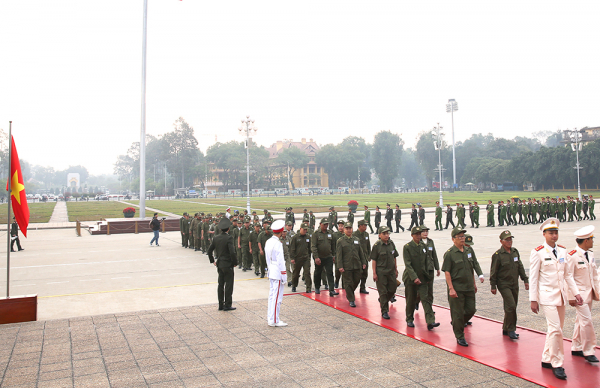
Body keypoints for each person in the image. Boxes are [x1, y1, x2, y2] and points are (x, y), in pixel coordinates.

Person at [529, 218, 581, 380]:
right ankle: (557, 363)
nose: (554, 235)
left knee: (556, 329)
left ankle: (546, 358)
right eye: (551, 233)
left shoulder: (563, 251)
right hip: (546, 296)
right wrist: (533, 299)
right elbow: (533, 277)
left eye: (556, 232)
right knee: (556, 329)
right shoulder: (537, 252)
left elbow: (567, 275)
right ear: (544, 234)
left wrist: (576, 292)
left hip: (560, 296)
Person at [442, 227, 485, 346]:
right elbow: (447, 272)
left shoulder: (469, 251)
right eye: (459, 237)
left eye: (463, 236)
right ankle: (460, 336)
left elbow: (473, 265)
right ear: (453, 239)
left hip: (469, 287)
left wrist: (476, 281)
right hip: (457, 288)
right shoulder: (450, 254)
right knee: (457, 313)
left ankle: (457, 323)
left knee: (471, 309)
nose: (462, 239)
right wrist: (451, 288)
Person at [565, 225, 599, 363]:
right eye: (591, 239)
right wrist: (571, 296)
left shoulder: (590, 254)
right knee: (587, 321)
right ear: (586, 241)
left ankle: (577, 347)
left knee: (581, 321)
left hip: (588, 293)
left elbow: (595, 275)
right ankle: (589, 350)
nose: (593, 241)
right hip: (578, 295)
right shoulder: (572, 256)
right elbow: (568, 277)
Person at [490, 230, 529, 340]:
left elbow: (520, 266)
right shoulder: (497, 255)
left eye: (510, 239)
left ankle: (506, 328)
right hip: (503, 284)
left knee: (512, 306)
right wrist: (493, 285)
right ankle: (511, 329)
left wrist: (525, 279)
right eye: (507, 240)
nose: (509, 241)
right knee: (511, 306)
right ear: (501, 241)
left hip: (514, 284)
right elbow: (494, 271)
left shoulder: (515, 252)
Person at [403, 226, 439, 330]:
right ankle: (409, 319)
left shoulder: (423, 246)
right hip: (410, 278)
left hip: (423, 277)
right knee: (411, 299)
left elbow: (427, 262)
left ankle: (430, 321)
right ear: (412, 235)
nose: (419, 236)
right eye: (417, 234)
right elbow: (408, 265)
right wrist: (414, 278)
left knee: (426, 299)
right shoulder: (408, 247)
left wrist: (428, 278)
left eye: (420, 234)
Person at [207, 217, 237, 311]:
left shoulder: (216, 238)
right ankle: (227, 304)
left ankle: (221, 304)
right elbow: (232, 252)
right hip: (228, 264)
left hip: (220, 264)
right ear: (228, 228)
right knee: (228, 285)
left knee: (220, 285)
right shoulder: (229, 238)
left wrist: (213, 261)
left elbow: (209, 251)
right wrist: (235, 262)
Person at [336, 222, 367, 307]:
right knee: (348, 282)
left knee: (357, 280)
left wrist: (364, 262)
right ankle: (351, 299)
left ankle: (349, 292)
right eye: (347, 228)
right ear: (344, 229)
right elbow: (339, 255)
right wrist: (340, 266)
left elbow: (360, 252)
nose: (349, 230)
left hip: (357, 264)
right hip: (347, 266)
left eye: (350, 228)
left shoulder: (356, 239)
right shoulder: (340, 241)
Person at [371, 226, 399, 319]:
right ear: (379, 235)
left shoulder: (391, 243)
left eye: (387, 233)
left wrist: (396, 269)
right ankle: (384, 311)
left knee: (392, 289)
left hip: (391, 271)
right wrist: (374, 273)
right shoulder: (377, 246)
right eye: (384, 234)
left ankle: (383, 300)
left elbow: (394, 256)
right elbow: (374, 260)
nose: (387, 235)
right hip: (381, 272)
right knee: (383, 292)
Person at [311, 218, 339, 297]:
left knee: (330, 273)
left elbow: (333, 245)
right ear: (320, 224)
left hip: (328, 257)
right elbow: (313, 246)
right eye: (324, 224)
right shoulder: (315, 234)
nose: (326, 226)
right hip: (319, 257)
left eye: (327, 224)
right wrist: (316, 257)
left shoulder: (330, 233)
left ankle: (331, 290)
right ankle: (317, 287)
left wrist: (333, 255)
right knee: (318, 273)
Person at [418, 226, 440, 312]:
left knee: (430, 290)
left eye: (426, 231)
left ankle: (429, 308)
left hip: (430, 269)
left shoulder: (430, 242)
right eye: (423, 231)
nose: (425, 233)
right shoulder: (418, 243)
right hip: (421, 270)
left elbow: (434, 255)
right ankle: (417, 301)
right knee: (421, 290)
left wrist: (437, 268)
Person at [290, 223, 312, 293]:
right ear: (300, 229)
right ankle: (294, 285)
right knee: (296, 273)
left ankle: (308, 288)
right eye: (304, 229)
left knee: (307, 273)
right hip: (297, 258)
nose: (305, 231)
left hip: (306, 258)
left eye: (306, 230)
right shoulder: (295, 237)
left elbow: (309, 248)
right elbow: (292, 248)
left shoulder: (308, 237)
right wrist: (292, 258)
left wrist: (309, 256)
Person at [353, 220, 372, 294]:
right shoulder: (354, 234)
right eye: (364, 225)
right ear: (360, 226)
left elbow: (368, 245)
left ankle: (362, 287)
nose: (366, 227)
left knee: (365, 274)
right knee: (357, 275)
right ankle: (352, 289)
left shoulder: (366, 234)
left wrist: (369, 255)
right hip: (357, 258)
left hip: (365, 257)